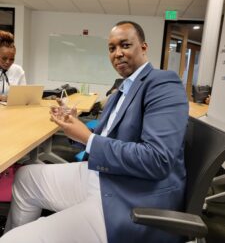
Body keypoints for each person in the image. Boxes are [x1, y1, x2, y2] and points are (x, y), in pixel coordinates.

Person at [1, 21, 189, 243]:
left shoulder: (162, 83)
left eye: (125, 45)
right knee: (25, 177)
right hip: (105, 175)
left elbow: (157, 159)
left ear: (144, 47)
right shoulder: (123, 89)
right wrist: (74, 126)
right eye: (111, 48)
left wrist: (87, 138)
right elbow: (103, 139)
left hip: (130, 196)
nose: (117, 53)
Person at [0, 30, 26, 101]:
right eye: (4, 58)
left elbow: (23, 95)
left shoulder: (18, 70)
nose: (8, 62)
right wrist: (2, 98)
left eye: (12, 59)